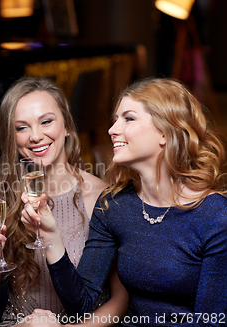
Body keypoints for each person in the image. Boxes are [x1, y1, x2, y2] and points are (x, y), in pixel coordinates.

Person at [22, 77, 227, 326]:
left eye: (128, 118)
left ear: (165, 132)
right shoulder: (114, 205)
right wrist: (51, 236)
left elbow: (213, 321)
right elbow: (81, 303)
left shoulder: (215, 214)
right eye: (116, 119)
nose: (112, 129)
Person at [0, 76, 128, 326]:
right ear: (11, 137)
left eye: (46, 121)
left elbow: (120, 302)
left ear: (66, 126)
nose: (35, 136)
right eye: (21, 127)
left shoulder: (104, 197)